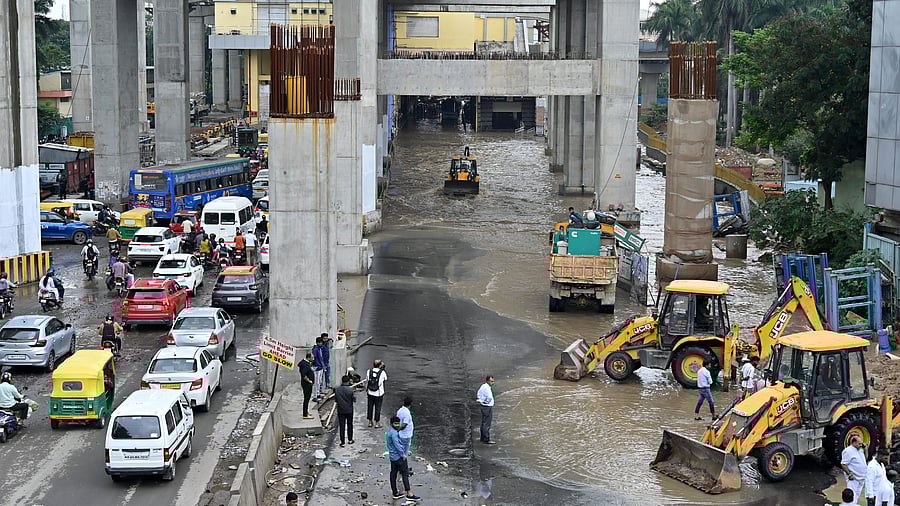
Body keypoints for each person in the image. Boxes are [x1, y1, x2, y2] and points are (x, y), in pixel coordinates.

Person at [387, 415, 421, 501]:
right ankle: (409, 493)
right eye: (395, 423)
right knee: (405, 473)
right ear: (391, 423)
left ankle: (395, 493)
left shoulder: (389, 432)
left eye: (398, 423)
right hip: (399, 457)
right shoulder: (394, 434)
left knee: (393, 474)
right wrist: (403, 455)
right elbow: (397, 446)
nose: (397, 425)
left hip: (392, 457)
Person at [841, 436, 868, 502]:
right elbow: (843, 464)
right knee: (851, 496)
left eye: (861, 443)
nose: (861, 445)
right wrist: (849, 474)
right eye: (859, 443)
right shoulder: (848, 451)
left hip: (861, 477)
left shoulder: (860, 450)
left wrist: (866, 449)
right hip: (853, 478)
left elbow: (865, 459)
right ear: (854, 442)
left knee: (857, 496)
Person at [334, 375, 355, 447]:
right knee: (350, 425)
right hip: (349, 410)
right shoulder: (350, 390)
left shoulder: (337, 390)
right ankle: (350, 439)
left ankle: (342, 442)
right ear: (348, 381)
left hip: (341, 410)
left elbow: (336, 400)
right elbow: (353, 399)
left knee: (342, 426)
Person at [366, 360, 387, 428]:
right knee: (378, 408)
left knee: (370, 407)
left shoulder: (369, 371)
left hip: (370, 392)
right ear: (380, 365)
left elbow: (367, 380)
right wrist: (383, 368)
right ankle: (377, 423)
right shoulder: (382, 372)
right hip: (379, 393)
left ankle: (370, 422)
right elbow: (385, 379)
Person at [477, 375, 496, 444]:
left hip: (483, 406)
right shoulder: (487, 388)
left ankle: (482, 438)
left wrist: (481, 400)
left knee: (484, 422)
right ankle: (486, 439)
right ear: (487, 381)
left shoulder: (483, 386)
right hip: (487, 407)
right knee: (487, 423)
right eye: (491, 381)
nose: (493, 383)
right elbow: (490, 397)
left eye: (493, 381)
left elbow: (478, 394)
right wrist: (486, 402)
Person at [298, 352, 315, 419]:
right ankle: (305, 414)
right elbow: (303, 375)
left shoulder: (305, 363)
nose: (313, 359)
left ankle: (306, 412)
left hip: (307, 384)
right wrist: (309, 381)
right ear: (309, 357)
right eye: (312, 357)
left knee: (307, 399)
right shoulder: (305, 365)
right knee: (306, 399)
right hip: (307, 384)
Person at [311, 336, 325, 401]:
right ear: (317, 343)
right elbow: (313, 358)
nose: (321, 343)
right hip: (317, 367)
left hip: (320, 367)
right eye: (320, 342)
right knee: (316, 382)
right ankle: (315, 396)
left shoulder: (319, 349)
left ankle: (318, 393)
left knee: (319, 382)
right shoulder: (315, 350)